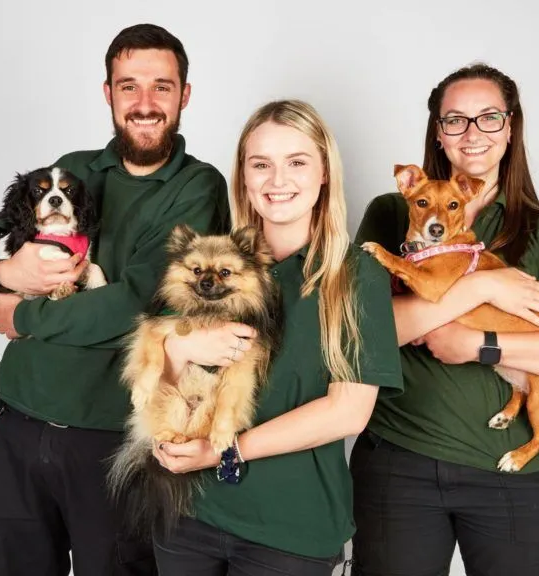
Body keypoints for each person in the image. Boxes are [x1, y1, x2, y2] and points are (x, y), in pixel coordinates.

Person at [0, 23, 230, 576]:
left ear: (186, 94)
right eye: (129, 86)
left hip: (109, 441)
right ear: (108, 93)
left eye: (162, 86)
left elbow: (133, 305)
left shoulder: (197, 187)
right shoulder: (73, 170)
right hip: (17, 426)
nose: (145, 103)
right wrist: (4, 269)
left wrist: (25, 314)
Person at [351, 63, 539, 576]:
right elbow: (360, 334)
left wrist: (482, 344)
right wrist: (483, 285)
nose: (472, 132)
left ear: (511, 127)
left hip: (519, 481)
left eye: (488, 118)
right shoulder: (393, 213)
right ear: (438, 131)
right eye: (455, 119)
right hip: (400, 463)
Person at [148, 99, 404, 575]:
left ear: (324, 172)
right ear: (243, 175)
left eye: (297, 162)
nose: (277, 180)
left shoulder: (355, 275)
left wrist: (223, 450)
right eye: (261, 164)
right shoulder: (209, 263)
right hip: (189, 515)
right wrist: (178, 348)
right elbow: (156, 380)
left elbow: (349, 411)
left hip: (290, 531)